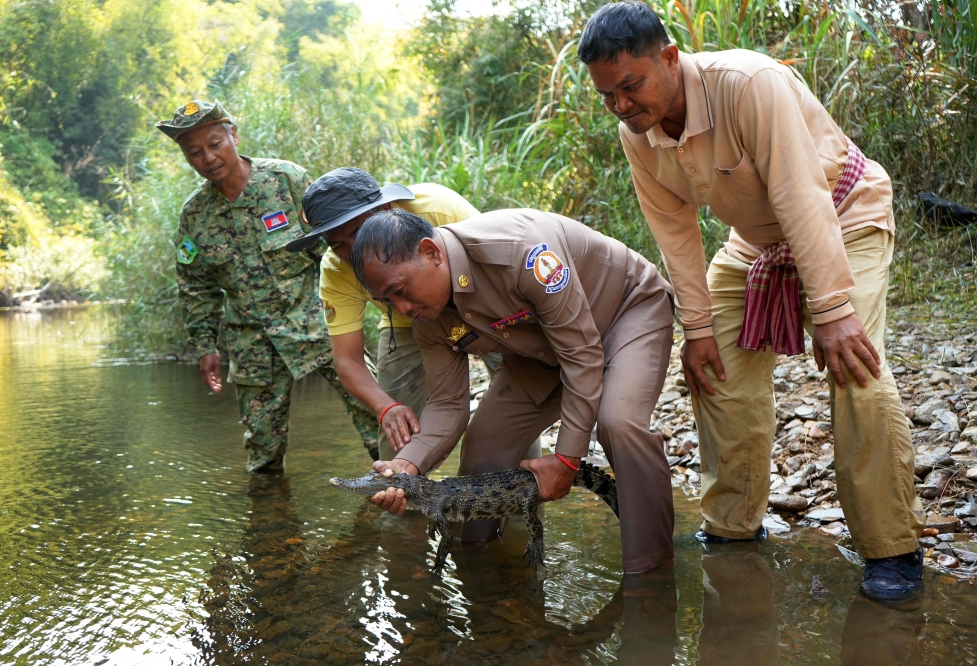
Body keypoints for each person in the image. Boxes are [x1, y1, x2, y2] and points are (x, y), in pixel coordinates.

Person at [578, 2, 924, 600]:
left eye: (630, 87)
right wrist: (699, 327)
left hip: (844, 214)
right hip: (756, 244)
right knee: (714, 371)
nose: (622, 107)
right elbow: (675, 233)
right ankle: (733, 527)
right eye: (608, 96)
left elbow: (800, 194)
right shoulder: (637, 134)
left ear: (669, 58)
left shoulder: (748, 84)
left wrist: (834, 311)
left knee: (855, 368)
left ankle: (893, 548)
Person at [349, 207, 677, 574]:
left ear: (431, 252)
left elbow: (581, 355)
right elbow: (445, 404)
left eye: (400, 291)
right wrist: (406, 466)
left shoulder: (521, 252)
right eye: (388, 302)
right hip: (542, 352)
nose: (403, 308)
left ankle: (651, 575)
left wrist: (567, 459)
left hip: (624, 314)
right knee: (485, 442)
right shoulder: (430, 317)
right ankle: (479, 571)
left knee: (618, 423)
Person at [156, 100, 378, 473]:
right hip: (252, 345)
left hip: (318, 324)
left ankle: (406, 483)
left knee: (375, 408)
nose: (208, 157)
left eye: (215, 143)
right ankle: (269, 524)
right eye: (194, 152)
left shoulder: (287, 181)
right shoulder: (195, 215)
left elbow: (336, 246)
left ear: (233, 135)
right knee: (263, 453)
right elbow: (195, 286)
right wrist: (205, 346)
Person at [285, 168, 499, 461]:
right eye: (338, 245)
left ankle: (520, 501)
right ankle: (400, 495)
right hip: (407, 323)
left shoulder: (438, 209)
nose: (353, 253)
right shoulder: (336, 268)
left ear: (384, 208)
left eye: (358, 233)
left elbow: (498, 268)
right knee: (397, 433)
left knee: (514, 407)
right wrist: (386, 408)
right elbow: (347, 359)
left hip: (485, 305)